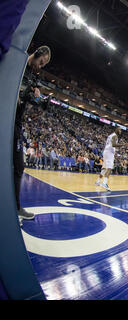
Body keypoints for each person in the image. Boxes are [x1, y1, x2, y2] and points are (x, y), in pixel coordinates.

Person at [14, 46, 51, 225]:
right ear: (36, 55)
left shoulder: (34, 76)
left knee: (19, 166)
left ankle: (15, 207)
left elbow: (31, 98)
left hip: (17, 122)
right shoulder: (17, 63)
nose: (40, 66)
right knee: (16, 165)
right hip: (8, 118)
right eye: (41, 62)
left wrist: (39, 99)